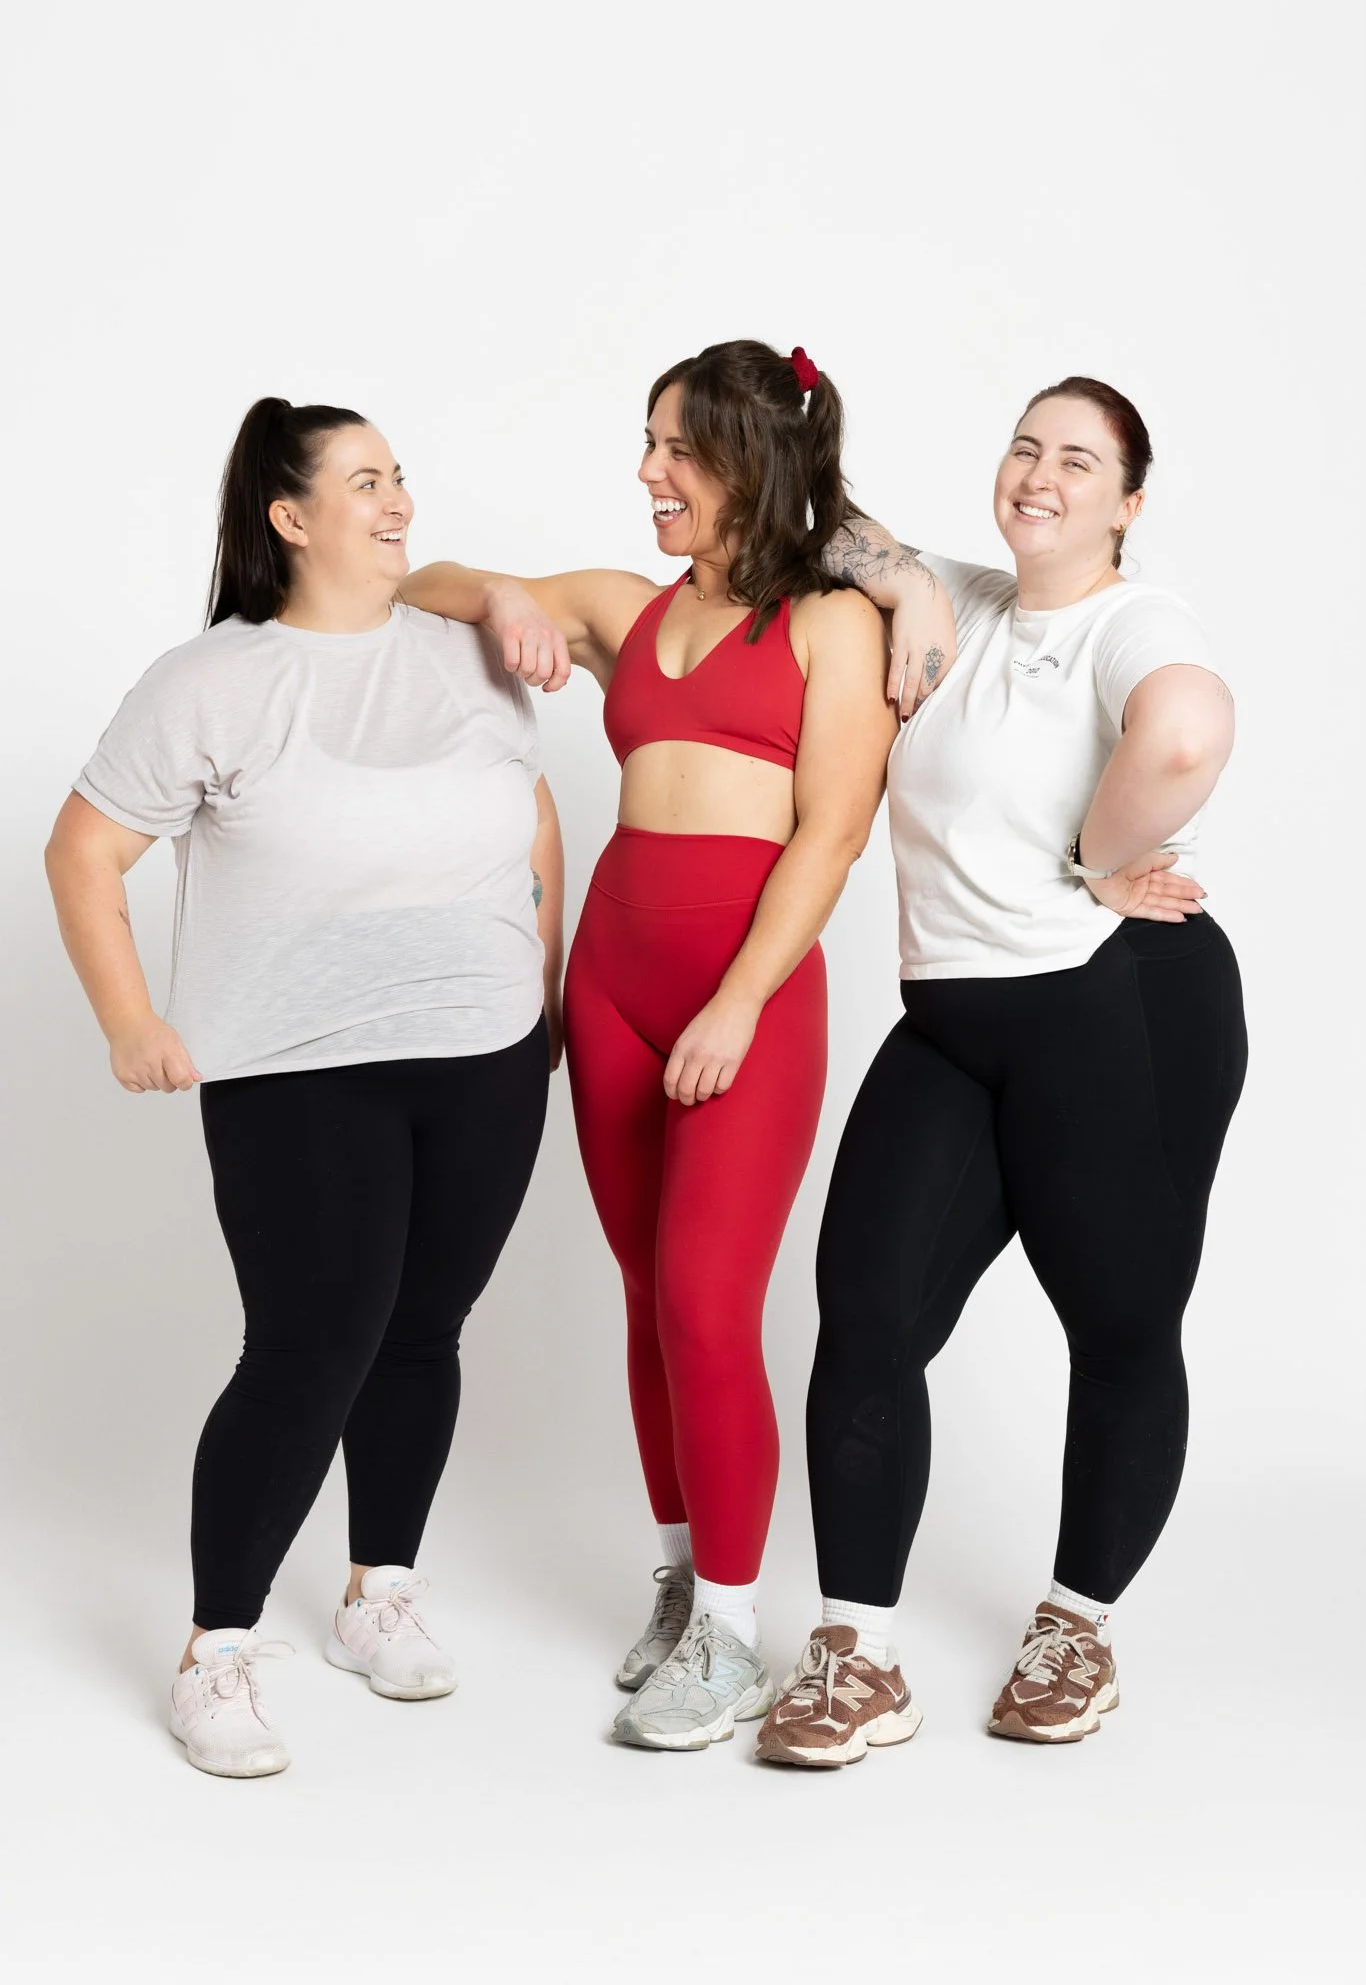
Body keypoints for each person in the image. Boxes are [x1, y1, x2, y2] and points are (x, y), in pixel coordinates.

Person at [402, 340, 932, 1750]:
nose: (648, 473)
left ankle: (739, 1633)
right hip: (613, 991)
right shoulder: (629, 610)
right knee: (647, 1297)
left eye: (677, 450)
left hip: (739, 995)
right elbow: (424, 582)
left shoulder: (832, 625)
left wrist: (739, 999)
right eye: (646, 445)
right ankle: (682, 1576)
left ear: (751, 459)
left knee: (708, 1299)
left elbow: (829, 833)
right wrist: (512, 599)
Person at [45, 398, 563, 1778]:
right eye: (365, 483)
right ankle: (216, 1651)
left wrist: (546, 995)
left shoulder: (469, 653)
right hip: (293, 1070)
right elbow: (83, 854)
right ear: (289, 518)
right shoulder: (208, 680)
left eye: (401, 478)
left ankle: (376, 1590)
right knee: (307, 1346)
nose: (398, 502)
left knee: (424, 1330)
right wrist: (128, 1019)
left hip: (484, 1052)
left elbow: (535, 813)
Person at [756, 376, 1247, 1766]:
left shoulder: (1128, 619)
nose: (1039, 474)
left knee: (1119, 1325)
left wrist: (1096, 863)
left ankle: (1073, 1627)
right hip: (954, 1021)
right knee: (862, 1316)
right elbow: (809, 514)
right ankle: (856, 1656)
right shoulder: (958, 599)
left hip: (1117, 1010)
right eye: (1024, 447)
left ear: (1126, 503)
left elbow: (1187, 728)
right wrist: (907, 578)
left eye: (1077, 461)